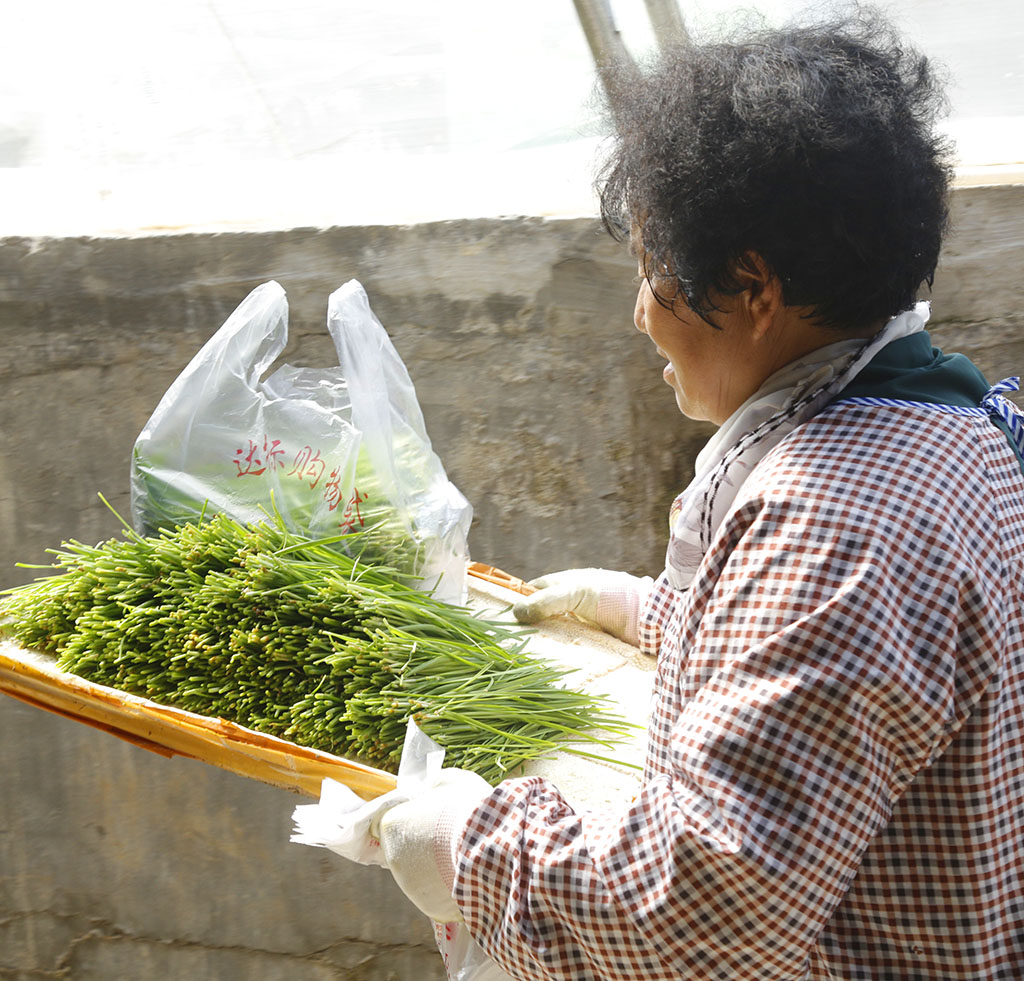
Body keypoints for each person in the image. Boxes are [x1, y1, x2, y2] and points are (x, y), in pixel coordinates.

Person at [345, 9, 1024, 979]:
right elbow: (862, 679)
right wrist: (655, 612)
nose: (640, 315)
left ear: (752, 288)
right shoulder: (952, 431)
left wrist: (466, 842)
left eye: (655, 275)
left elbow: (692, 910)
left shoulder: (828, 526)